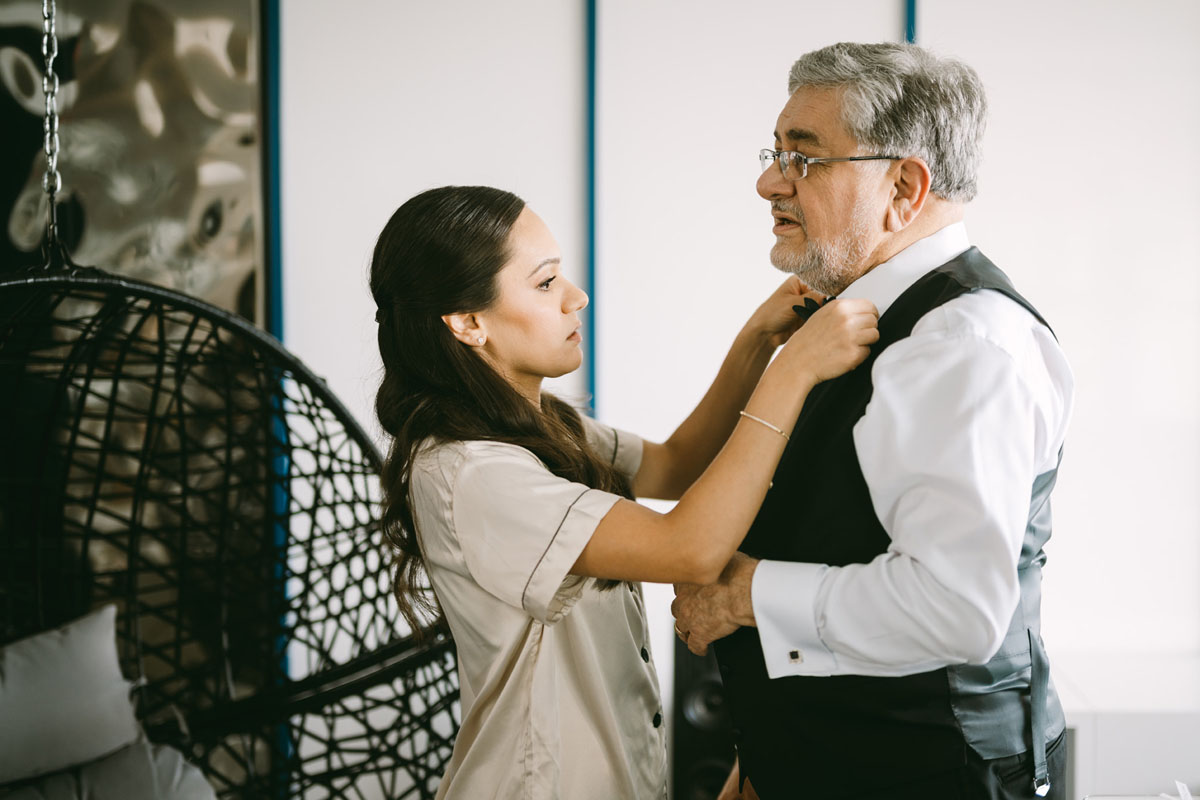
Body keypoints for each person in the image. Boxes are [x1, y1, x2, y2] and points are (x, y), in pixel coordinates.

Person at [368, 185, 878, 799]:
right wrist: (795, 371)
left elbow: (679, 465)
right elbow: (689, 548)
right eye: (545, 282)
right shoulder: (472, 472)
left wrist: (758, 341)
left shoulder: (544, 426)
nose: (575, 297)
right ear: (469, 322)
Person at [670, 42, 1074, 800]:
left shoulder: (961, 346)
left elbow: (955, 607)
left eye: (804, 157)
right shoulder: (864, 319)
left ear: (905, 186)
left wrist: (742, 595)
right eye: (775, 151)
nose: (768, 181)